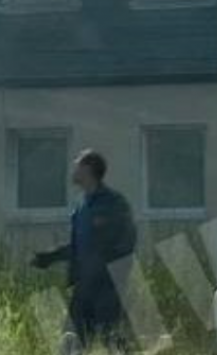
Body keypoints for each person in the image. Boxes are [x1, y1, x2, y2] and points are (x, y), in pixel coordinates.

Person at [32, 150, 138, 352]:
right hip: (83, 287)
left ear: (88, 170)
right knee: (71, 342)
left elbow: (128, 241)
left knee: (113, 341)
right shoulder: (82, 205)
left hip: (107, 288)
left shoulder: (114, 203)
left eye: (78, 165)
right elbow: (79, 246)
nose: (74, 169)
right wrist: (51, 257)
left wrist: (114, 273)